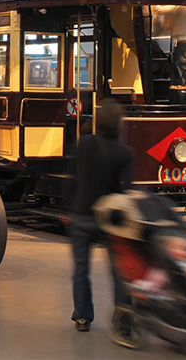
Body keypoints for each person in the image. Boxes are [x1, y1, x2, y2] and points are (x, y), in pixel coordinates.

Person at [70, 100, 134, 332]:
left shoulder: (84, 144)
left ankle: (83, 317)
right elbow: (125, 189)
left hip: (82, 212)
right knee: (118, 270)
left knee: (80, 270)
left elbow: (74, 175)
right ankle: (124, 318)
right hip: (110, 218)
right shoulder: (125, 153)